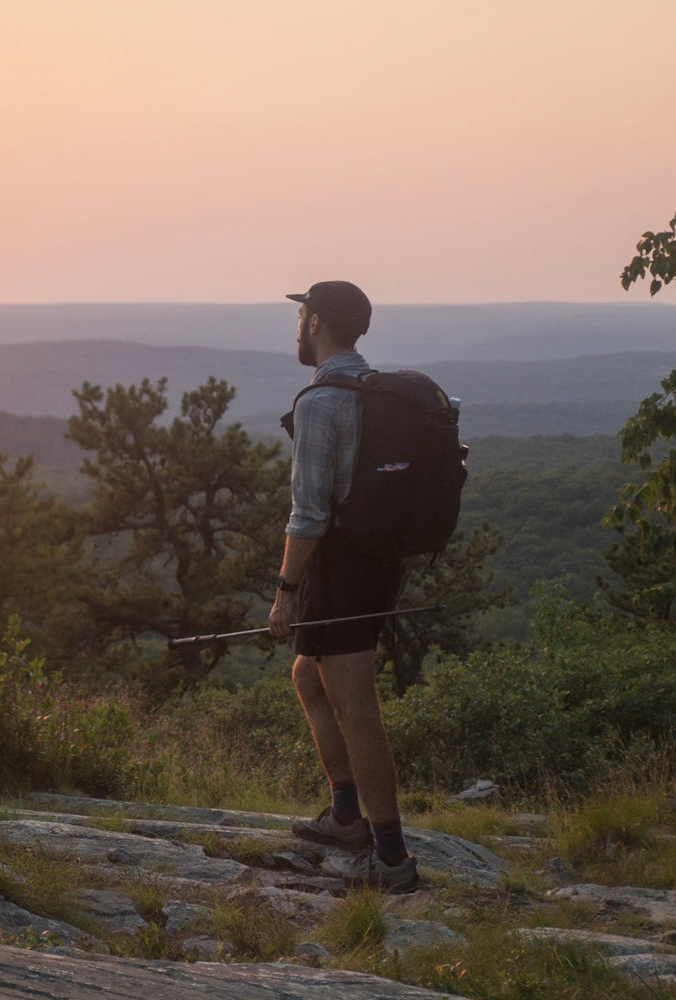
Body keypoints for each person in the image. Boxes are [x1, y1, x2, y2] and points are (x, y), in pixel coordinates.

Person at [268, 279, 417, 890]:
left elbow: (308, 514)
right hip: (377, 561)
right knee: (309, 674)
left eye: (301, 316)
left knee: (356, 706)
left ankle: (390, 858)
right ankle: (347, 813)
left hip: (341, 567)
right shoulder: (374, 390)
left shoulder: (321, 402)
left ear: (317, 323)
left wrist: (284, 590)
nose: (297, 327)